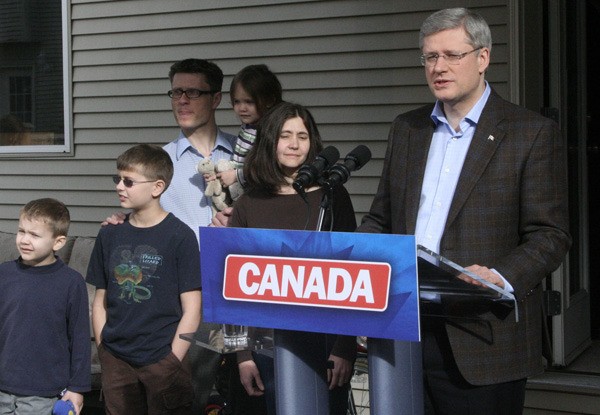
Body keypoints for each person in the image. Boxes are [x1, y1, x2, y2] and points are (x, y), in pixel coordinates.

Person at [357, 8, 571, 415]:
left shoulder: (530, 132)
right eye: (430, 57)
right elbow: (381, 219)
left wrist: (501, 277)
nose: (439, 67)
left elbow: (551, 234)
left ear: (483, 57)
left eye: (452, 55)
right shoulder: (408, 128)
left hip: (482, 335)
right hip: (405, 330)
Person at [106, 58, 236, 411]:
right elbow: (143, 217)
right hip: (182, 301)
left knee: (237, 395)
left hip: (239, 291)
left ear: (216, 99)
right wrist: (121, 220)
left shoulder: (246, 157)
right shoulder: (160, 162)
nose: (182, 100)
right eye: (176, 91)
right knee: (181, 396)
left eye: (193, 92)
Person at [229, 101, 357, 414]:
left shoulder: (332, 196)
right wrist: (242, 355)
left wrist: (345, 347)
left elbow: (351, 272)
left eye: (302, 136)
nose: (294, 144)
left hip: (325, 344)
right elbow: (232, 286)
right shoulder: (249, 202)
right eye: (286, 135)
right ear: (270, 141)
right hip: (265, 349)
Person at [89, 144, 202, 414]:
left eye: (128, 181)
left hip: (162, 360)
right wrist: (104, 348)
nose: (119, 186)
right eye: (117, 179)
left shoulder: (180, 237)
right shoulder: (110, 233)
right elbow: (99, 300)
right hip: (116, 359)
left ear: (157, 187)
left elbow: (193, 307)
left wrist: (173, 359)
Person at [0, 198, 90, 415]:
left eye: (35, 235)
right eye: (22, 231)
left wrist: (77, 388)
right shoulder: (4, 274)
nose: (24, 239)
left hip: (44, 392)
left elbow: (79, 338)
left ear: (58, 242)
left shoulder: (71, 282)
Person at [214, 64, 283, 200]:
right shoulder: (249, 126)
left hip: (261, 197)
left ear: (269, 101)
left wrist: (235, 176)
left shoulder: (269, 131)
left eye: (249, 102)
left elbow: (266, 168)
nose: (242, 108)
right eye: (237, 102)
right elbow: (239, 159)